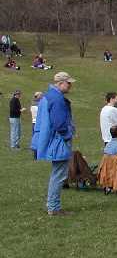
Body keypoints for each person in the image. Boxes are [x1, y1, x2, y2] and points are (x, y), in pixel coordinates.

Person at [32, 72, 76, 216]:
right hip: (59, 141)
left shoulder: (48, 96)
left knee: (57, 174)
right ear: (60, 83)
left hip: (53, 139)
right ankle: (54, 207)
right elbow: (59, 123)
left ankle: (52, 205)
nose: (70, 85)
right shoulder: (57, 99)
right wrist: (68, 134)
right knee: (59, 175)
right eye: (68, 83)